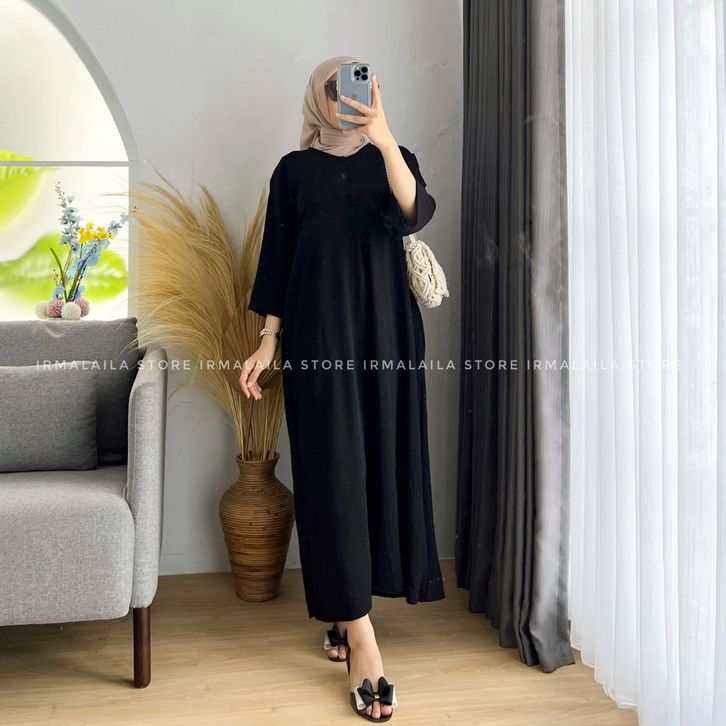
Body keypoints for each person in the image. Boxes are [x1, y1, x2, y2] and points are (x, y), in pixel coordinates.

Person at [239, 55, 444, 722]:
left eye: (358, 84)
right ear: (316, 97)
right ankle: (363, 640)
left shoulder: (395, 158)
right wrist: (268, 341)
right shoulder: (293, 171)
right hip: (318, 339)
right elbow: (278, 259)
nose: (346, 97)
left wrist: (384, 137)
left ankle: (344, 610)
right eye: (334, 87)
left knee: (380, 467)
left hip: (388, 339)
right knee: (332, 476)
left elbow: (414, 212)